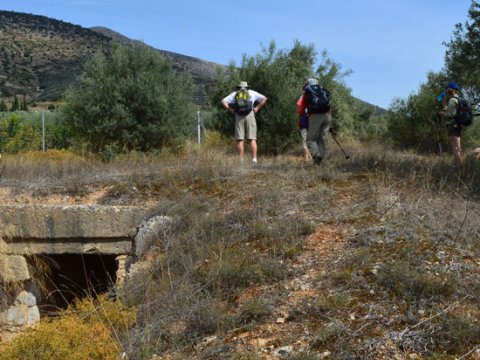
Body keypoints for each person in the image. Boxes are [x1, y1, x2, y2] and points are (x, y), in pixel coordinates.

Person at [221, 81, 267, 164]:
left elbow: (223, 101)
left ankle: (241, 160)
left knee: (239, 139)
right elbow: (264, 98)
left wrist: (231, 110)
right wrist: (257, 108)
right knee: (252, 138)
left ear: (239, 87)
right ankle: (254, 159)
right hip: (250, 115)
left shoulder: (235, 94)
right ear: (247, 87)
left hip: (238, 116)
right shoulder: (252, 92)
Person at [296, 78, 331, 165]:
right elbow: (329, 106)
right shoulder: (322, 91)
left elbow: (301, 108)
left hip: (315, 116)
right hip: (327, 116)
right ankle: (322, 162)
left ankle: (317, 156)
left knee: (310, 139)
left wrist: (302, 117)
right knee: (322, 139)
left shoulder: (308, 92)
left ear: (308, 84)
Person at [439, 81, 464, 166]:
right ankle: (460, 163)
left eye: (447, 89)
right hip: (458, 124)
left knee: (455, 146)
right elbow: (450, 110)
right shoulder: (458, 99)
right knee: (458, 145)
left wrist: (442, 114)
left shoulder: (452, 100)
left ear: (451, 89)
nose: (446, 91)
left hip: (452, 125)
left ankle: (459, 165)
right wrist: (444, 103)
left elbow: (450, 114)